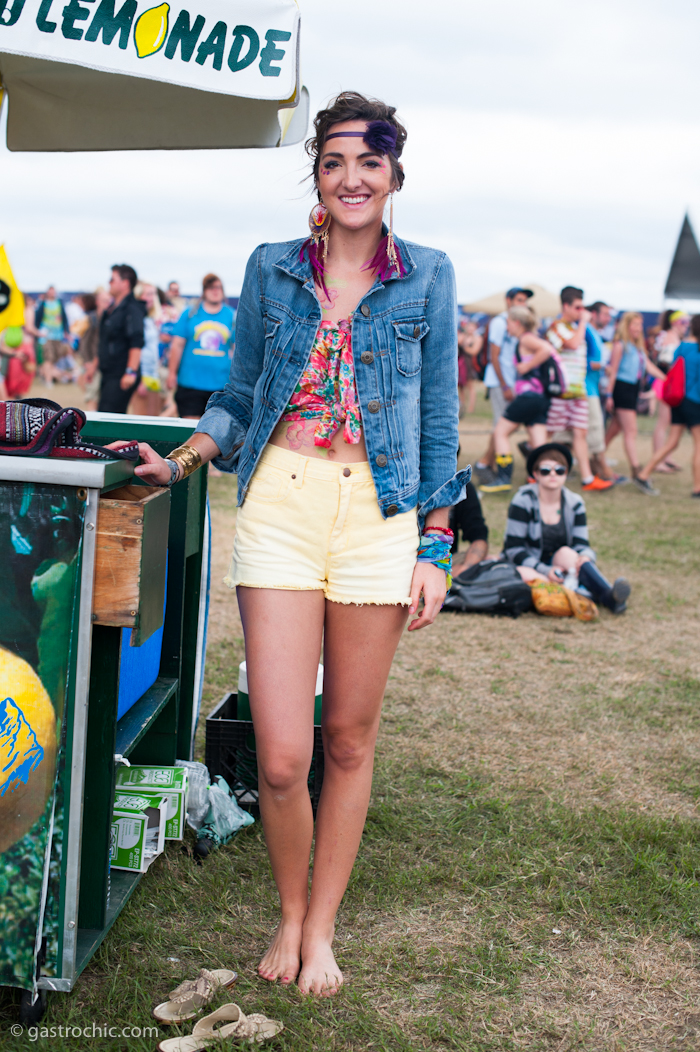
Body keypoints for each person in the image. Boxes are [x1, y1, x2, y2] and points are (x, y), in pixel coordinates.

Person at [116, 91, 467, 996]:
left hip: (380, 514)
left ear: (394, 177)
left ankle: (321, 926)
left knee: (346, 739)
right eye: (334, 162)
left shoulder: (427, 274)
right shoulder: (273, 269)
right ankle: (285, 907)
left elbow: (437, 423)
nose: (352, 179)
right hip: (281, 500)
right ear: (315, 174)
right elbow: (236, 397)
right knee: (280, 757)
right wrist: (185, 457)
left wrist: (436, 543)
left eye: (370, 163)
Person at [502, 443, 630, 613]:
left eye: (560, 470)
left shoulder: (575, 503)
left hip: (562, 565)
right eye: (546, 470)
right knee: (527, 576)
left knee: (569, 554)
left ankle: (605, 594)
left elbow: (581, 545)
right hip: (530, 566)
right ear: (535, 474)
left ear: (566, 473)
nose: (553, 474)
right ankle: (596, 596)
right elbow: (513, 549)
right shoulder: (522, 500)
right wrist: (546, 570)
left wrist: (585, 558)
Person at [480, 305, 555, 493]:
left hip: (528, 395)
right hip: (541, 397)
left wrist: (527, 365)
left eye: (508, 323)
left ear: (516, 322)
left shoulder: (526, 338)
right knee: (538, 442)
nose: (506, 328)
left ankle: (503, 478)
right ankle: (544, 479)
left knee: (500, 433)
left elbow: (546, 349)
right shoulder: (529, 337)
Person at [545, 287, 613, 492]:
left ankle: (587, 478)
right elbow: (573, 345)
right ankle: (536, 471)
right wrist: (584, 322)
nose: (581, 311)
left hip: (578, 391)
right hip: (561, 392)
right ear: (565, 306)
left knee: (580, 435)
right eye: (577, 307)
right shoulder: (556, 327)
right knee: (549, 434)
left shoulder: (577, 327)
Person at [635, 313, 700, 497]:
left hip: (679, 400)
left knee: (672, 442)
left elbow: (671, 368)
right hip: (695, 401)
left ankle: (644, 473)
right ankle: (698, 488)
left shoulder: (682, 347)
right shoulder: (697, 350)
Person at [476, 287, 534, 480]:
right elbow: (495, 356)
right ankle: (484, 462)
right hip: (501, 383)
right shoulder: (501, 322)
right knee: (501, 425)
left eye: (524, 300)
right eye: (519, 300)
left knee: (506, 426)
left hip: (510, 382)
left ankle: (488, 462)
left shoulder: (518, 324)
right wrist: (505, 385)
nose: (523, 304)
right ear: (508, 301)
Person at [604, 312, 665, 492]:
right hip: (621, 390)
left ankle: (597, 458)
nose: (638, 328)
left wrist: (667, 379)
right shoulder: (620, 345)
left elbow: (649, 367)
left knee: (615, 429)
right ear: (627, 325)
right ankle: (637, 472)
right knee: (631, 431)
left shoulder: (637, 348)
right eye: (635, 325)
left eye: (640, 325)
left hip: (632, 389)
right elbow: (613, 371)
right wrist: (608, 395)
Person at [167, 274, 235, 419]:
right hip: (190, 383)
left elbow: (237, 350)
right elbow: (177, 345)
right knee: (190, 430)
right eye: (211, 287)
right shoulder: (190, 313)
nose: (215, 291)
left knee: (215, 432)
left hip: (220, 385)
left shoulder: (231, 316)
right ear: (204, 291)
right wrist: (172, 373)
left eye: (218, 287)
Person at [585, 302, 625, 483]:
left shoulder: (596, 333)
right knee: (595, 428)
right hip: (586, 388)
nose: (608, 319)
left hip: (593, 388)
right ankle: (603, 470)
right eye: (605, 315)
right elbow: (586, 361)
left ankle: (596, 468)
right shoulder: (586, 331)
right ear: (594, 313)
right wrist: (605, 367)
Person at [97, 264, 144, 414]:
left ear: (125, 283)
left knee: (109, 415)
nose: (109, 283)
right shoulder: (112, 308)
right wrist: (93, 366)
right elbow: (105, 341)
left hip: (122, 372)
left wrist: (131, 372)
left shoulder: (132, 308)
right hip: (108, 371)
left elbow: (136, 341)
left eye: (112, 279)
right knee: (105, 413)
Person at [650, 309, 689, 471]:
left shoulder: (670, 336)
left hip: (668, 383)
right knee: (663, 423)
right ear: (674, 322)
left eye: (687, 322)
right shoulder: (668, 337)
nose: (685, 326)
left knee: (668, 422)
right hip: (666, 384)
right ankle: (659, 460)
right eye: (683, 322)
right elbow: (665, 362)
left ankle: (665, 457)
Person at [130, 282, 163, 416]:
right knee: (142, 420)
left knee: (154, 419)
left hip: (153, 374)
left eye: (154, 294)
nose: (152, 298)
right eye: (148, 294)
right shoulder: (136, 319)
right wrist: (139, 380)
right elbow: (135, 350)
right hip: (142, 376)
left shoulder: (149, 319)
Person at [78, 288, 111, 411]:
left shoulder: (109, 317)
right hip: (92, 362)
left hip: (103, 363)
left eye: (109, 301)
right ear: (97, 302)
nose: (107, 304)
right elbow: (85, 343)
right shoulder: (91, 319)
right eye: (104, 301)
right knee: (92, 396)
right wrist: (87, 361)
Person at [449, 482, 489, 572]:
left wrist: (465, 569)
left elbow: (478, 536)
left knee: (488, 565)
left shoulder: (460, 485)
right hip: (412, 559)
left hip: (447, 561)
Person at [34, 286, 70, 385]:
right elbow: (37, 319)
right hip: (46, 337)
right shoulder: (43, 304)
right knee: (48, 358)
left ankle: (46, 376)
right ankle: (48, 380)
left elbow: (64, 319)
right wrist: (37, 333)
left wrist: (67, 332)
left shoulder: (59, 303)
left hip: (58, 336)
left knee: (54, 358)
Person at [457, 318, 482, 416]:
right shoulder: (464, 336)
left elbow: (474, 351)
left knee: (470, 386)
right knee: (461, 386)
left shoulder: (477, 338)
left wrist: (465, 346)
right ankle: (462, 405)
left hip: (470, 363)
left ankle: (471, 407)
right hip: (461, 363)